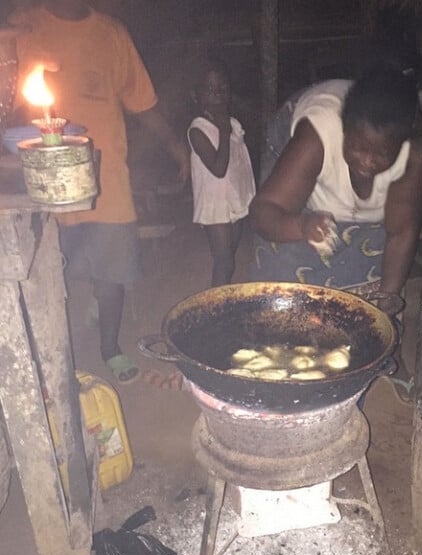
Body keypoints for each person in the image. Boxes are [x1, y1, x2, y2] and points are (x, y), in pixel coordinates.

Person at [9, 0, 190, 384]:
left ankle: (110, 347)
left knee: (111, 273)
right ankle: (50, 353)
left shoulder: (112, 34)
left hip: (106, 179)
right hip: (44, 184)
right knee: (44, 271)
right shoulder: (24, 29)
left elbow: (143, 102)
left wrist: (175, 145)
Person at [249, 64, 422, 320]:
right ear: (344, 129)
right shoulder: (315, 137)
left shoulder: (416, 153)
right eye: (358, 147)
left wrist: (384, 307)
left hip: (377, 193)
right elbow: (263, 213)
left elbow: (402, 232)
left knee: (370, 297)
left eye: (382, 154)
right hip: (298, 186)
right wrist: (302, 225)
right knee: (284, 284)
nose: (367, 162)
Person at [187, 56, 255, 287]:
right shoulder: (198, 130)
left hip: (234, 201)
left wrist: (248, 198)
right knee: (224, 262)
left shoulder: (232, 123)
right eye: (210, 89)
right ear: (196, 95)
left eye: (222, 88)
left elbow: (241, 165)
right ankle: (216, 312)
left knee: (230, 260)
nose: (217, 94)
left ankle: (222, 302)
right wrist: (223, 130)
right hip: (215, 205)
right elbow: (218, 168)